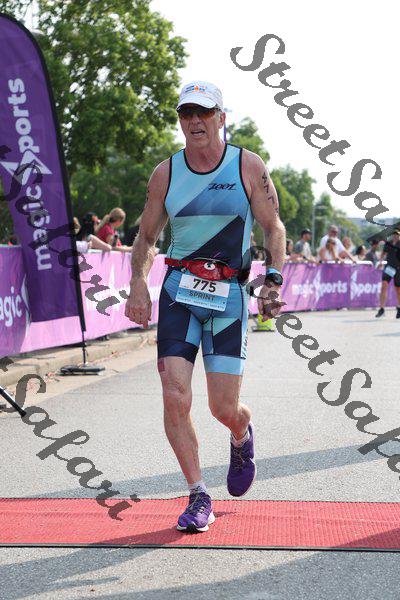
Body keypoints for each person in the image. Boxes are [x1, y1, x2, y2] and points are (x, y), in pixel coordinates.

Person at [124, 80, 286, 532]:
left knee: (222, 407)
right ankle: (198, 494)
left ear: (221, 117)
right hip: (179, 290)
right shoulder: (166, 173)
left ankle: (241, 432)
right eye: (186, 113)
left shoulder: (247, 165)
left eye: (204, 112)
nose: (195, 121)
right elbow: (146, 237)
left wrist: (273, 279)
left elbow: (273, 227)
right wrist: (138, 283)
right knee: (174, 393)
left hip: (229, 294)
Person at [375, 230, 400, 318]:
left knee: (398, 289)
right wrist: (380, 262)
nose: (395, 236)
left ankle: (399, 307)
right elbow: (383, 253)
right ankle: (381, 309)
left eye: (397, 235)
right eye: (394, 234)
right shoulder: (388, 243)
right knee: (384, 285)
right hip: (389, 268)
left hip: (398, 268)